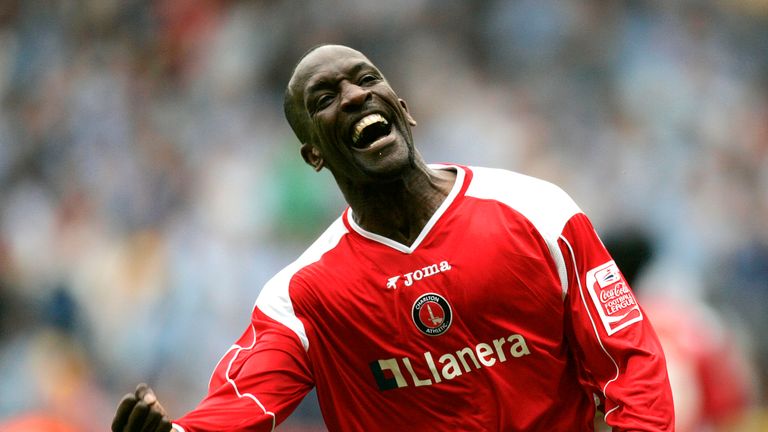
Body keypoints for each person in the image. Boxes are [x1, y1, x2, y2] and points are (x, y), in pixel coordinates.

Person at [112, 44, 674, 432]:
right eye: (325, 98)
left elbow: (629, 361)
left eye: (365, 79)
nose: (355, 97)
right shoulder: (305, 295)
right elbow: (242, 403)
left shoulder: (537, 210)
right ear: (313, 153)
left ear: (401, 108)